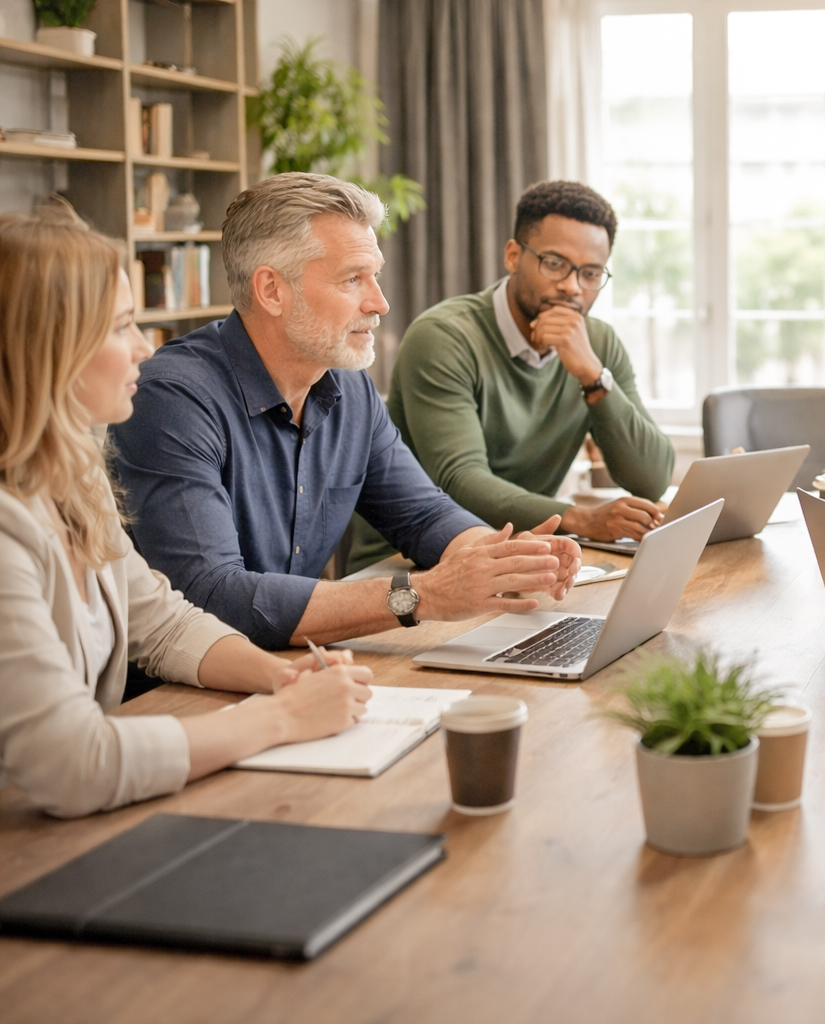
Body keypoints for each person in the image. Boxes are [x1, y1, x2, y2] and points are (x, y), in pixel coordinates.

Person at [0, 208, 374, 819]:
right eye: (121, 327)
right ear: (46, 350)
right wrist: (278, 719)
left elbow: (163, 623)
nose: (144, 349)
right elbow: (71, 763)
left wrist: (280, 679)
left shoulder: (71, 475)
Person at [110, 173, 580, 651]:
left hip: (298, 671)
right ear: (272, 290)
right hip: (178, 698)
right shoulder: (172, 399)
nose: (380, 302)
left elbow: (421, 514)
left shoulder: (347, 385)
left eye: (373, 276)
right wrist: (421, 596)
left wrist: (503, 561)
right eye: (353, 278)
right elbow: (211, 596)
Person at [348, 179, 674, 572]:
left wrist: (592, 375)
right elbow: (460, 479)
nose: (572, 287)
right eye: (554, 264)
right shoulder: (444, 337)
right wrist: (581, 519)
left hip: (522, 554)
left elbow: (652, 479)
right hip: (409, 566)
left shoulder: (596, 344)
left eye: (590, 273)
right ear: (513, 255)